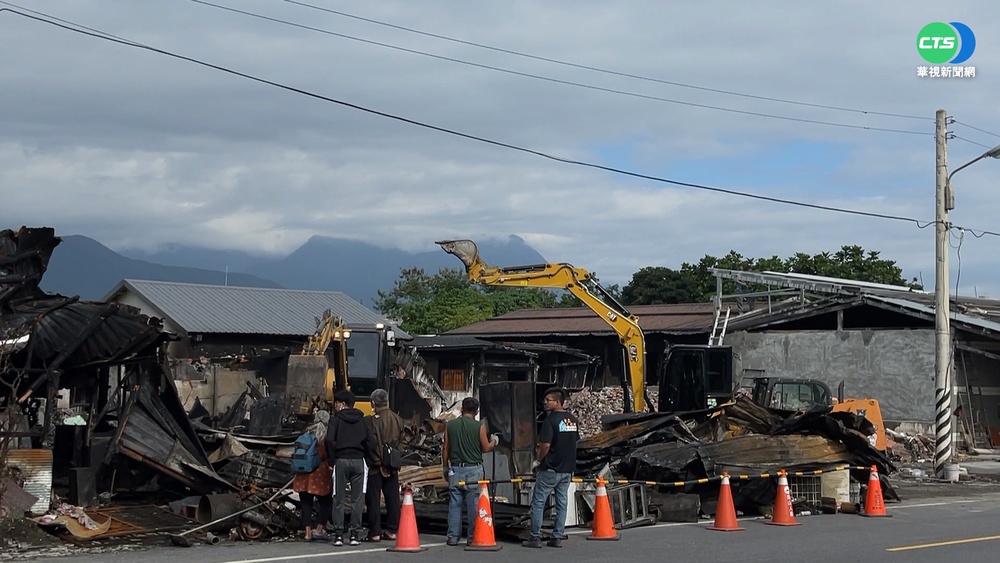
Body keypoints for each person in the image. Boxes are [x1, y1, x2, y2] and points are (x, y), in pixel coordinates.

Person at [523, 388, 580, 549]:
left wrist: (538, 461)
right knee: (562, 502)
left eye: (548, 400)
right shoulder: (572, 420)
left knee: (539, 502)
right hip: (567, 469)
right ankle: (557, 536)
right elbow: (574, 442)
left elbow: (545, 445)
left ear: (558, 402)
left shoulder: (550, 421)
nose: (545, 402)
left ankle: (535, 537)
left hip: (550, 468)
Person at [442, 396, 499, 546]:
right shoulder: (479, 426)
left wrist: (445, 467)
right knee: (473, 505)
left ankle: (453, 537)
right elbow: (486, 447)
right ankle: (472, 536)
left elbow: (445, 448)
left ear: (462, 409)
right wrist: (494, 441)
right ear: (477, 411)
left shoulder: (450, 425)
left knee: (454, 504)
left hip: (455, 469)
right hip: (473, 470)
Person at [326, 389, 375, 547]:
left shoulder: (335, 420)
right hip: (359, 461)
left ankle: (339, 535)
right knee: (357, 500)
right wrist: (368, 460)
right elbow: (371, 442)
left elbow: (329, 441)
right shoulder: (363, 420)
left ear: (343, 404)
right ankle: (354, 534)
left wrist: (332, 461)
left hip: (341, 460)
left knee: (338, 499)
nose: (335, 406)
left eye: (336, 403)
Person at [364, 388, 404, 542]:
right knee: (393, 498)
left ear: (373, 403)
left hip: (376, 467)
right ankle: (393, 530)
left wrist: (379, 462)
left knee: (373, 500)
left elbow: (371, 444)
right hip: (392, 466)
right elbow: (404, 441)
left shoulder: (371, 421)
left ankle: (375, 532)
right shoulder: (398, 419)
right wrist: (393, 457)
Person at [292, 410, 332, 541]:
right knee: (326, 501)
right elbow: (327, 454)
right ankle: (320, 529)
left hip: (303, 473)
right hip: (320, 473)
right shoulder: (326, 436)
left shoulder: (306, 433)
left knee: (306, 503)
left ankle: (307, 532)